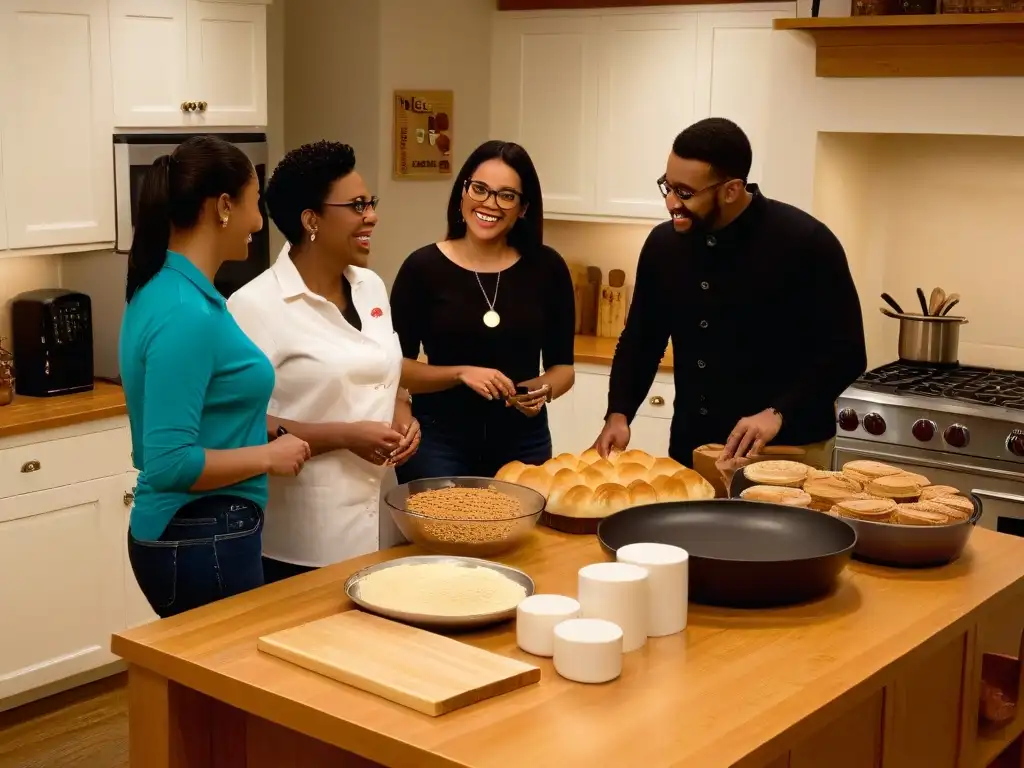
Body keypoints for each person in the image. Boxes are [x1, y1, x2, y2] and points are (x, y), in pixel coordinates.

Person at [593, 118, 867, 470]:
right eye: (668, 186)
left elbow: (846, 353)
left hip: (786, 452)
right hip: (693, 448)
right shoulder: (664, 246)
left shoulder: (807, 243)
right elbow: (641, 341)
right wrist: (619, 413)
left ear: (731, 190)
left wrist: (778, 412)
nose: (671, 203)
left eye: (685, 193)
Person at [121, 135, 311, 619]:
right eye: (254, 202)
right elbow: (169, 462)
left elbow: (204, 407)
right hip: (201, 532)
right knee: (228, 691)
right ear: (224, 206)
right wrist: (270, 456)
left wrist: (262, 426)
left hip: (197, 531)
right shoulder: (185, 311)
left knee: (202, 693)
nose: (257, 221)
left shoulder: (168, 289)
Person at [228, 141, 419, 582]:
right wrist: (344, 436)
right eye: (356, 205)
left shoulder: (370, 285)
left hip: (382, 526)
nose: (371, 215)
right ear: (311, 220)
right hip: (303, 540)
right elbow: (241, 423)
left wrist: (402, 411)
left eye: (370, 203)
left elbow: (383, 371)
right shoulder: (254, 306)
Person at [390, 140, 576, 480]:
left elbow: (563, 368)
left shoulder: (547, 267)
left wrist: (542, 389)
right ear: (463, 192)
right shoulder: (422, 267)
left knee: (524, 533)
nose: (489, 203)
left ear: (523, 208)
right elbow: (394, 368)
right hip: (438, 441)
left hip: (523, 442)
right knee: (444, 532)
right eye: (480, 189)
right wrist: (460, 372)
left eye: (506, 195)